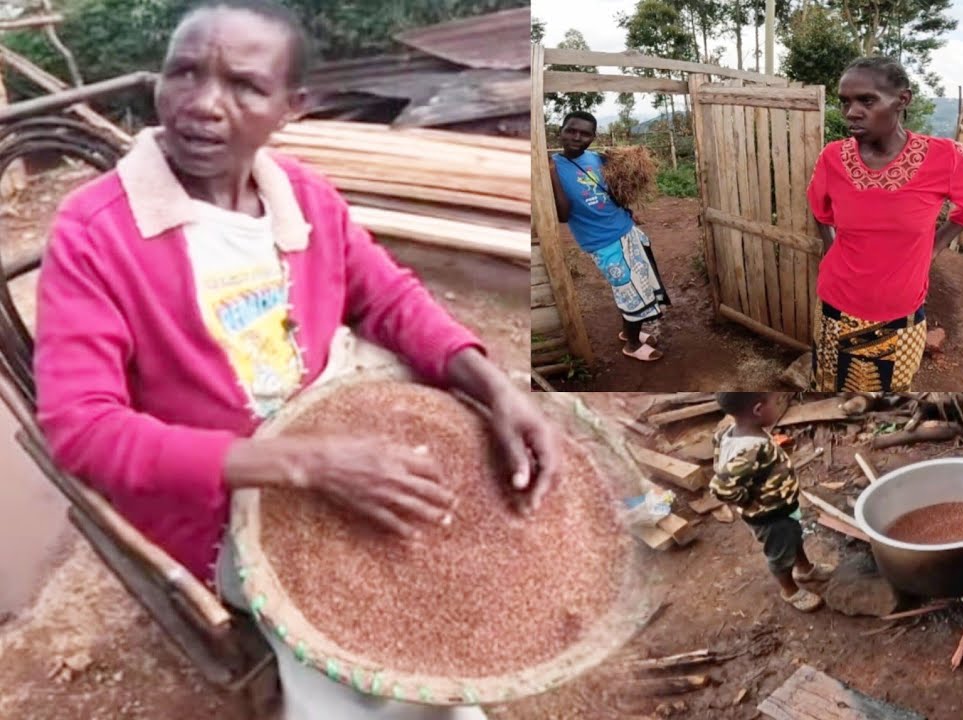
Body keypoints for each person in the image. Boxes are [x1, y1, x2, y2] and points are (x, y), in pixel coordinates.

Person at [31, 2, 559, 718]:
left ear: (293, 107)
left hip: (330, 424)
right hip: (220, 496)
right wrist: (310, 464)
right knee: (367, 644)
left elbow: (387, 298)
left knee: (465, 535)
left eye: (245, 86)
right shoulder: (95, 233)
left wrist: (495, 387)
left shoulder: (301, 195)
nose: (203, 104)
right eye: (184, 73)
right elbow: (84, 431)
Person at [806, 57, 963, 392]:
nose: (852, 112)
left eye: (867, 101)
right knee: (829, 390)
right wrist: (832, 250)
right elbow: (820, 211)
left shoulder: (944, 157)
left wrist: (936, 245)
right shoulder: (833, 157)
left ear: (902, 100)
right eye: (845, 102)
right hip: (834, 306)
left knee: (887, 397)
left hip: (899, 315)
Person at [548, 110, 670, 362]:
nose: (576, 137)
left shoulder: (597, 159)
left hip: (626, 231)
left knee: (639, 286)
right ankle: (633, 346)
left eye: (584, 134)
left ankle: (628, 333)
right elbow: (563, 215)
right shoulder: (551, 168)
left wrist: (628, 211)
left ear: (593, 137)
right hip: (601, 241)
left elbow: (615, 191)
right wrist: (552, 176)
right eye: (571, 130)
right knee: (628, 290)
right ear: (560, 131)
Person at [709, 392, 835, 612]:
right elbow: (720, 487)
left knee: (793, 537)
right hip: (770, 517)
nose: (780, 405)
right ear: (758, 410)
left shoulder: (729, 433)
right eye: (776, 402)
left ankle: (805, 569)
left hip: (781, 508)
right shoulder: (752, 450)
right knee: (780, 555)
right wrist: (747, 500)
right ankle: (790, 591)